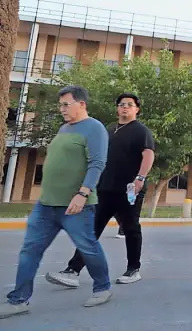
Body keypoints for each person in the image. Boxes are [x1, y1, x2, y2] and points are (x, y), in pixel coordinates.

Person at [0, 86, 112, 320]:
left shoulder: (95, 128)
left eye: (65, 104)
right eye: (60, 105)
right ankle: (18, 299)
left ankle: (102, 287)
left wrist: (82, 194)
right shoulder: (63, 128)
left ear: (81, 104)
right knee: (30, 249)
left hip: (75, 205)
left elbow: (97, 164)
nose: (61, 109)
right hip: (46, 205)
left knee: (88, 248)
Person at [47, 93, 155, 288]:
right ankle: (73, 270)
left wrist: (140, 178)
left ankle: (133, 269)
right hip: (105, 188)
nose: (125, 108)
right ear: (117, 108)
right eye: (121, 104)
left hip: (129, 188)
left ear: (136, 109)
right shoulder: (110, 129)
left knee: (131, 228)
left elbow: (148, 154)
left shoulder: (141, 131)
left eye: (129, 105)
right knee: (91, 229)